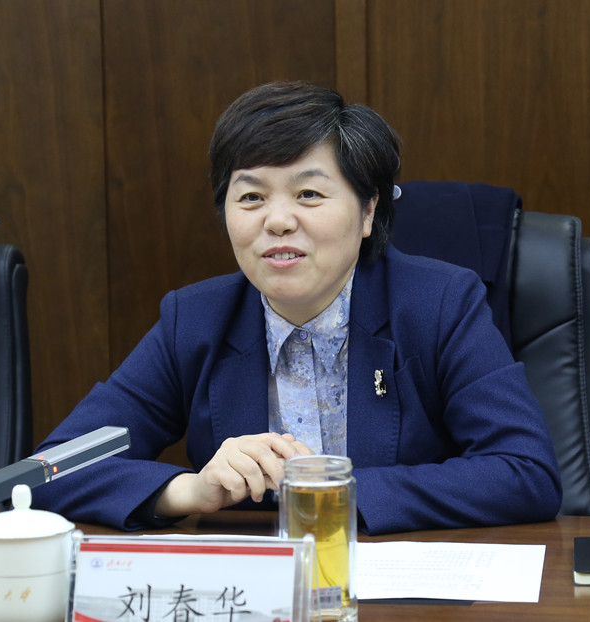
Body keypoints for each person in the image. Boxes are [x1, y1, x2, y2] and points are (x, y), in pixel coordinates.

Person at [33, 81, 562, 535]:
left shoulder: (439, 304)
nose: (278, 220)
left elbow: (525, 472)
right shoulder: (194, 321)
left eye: (308, 194)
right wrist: (190, 490)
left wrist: (333, 491)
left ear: (368, 212)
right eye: (251, 197)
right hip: (254, 592)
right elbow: (49, 470)